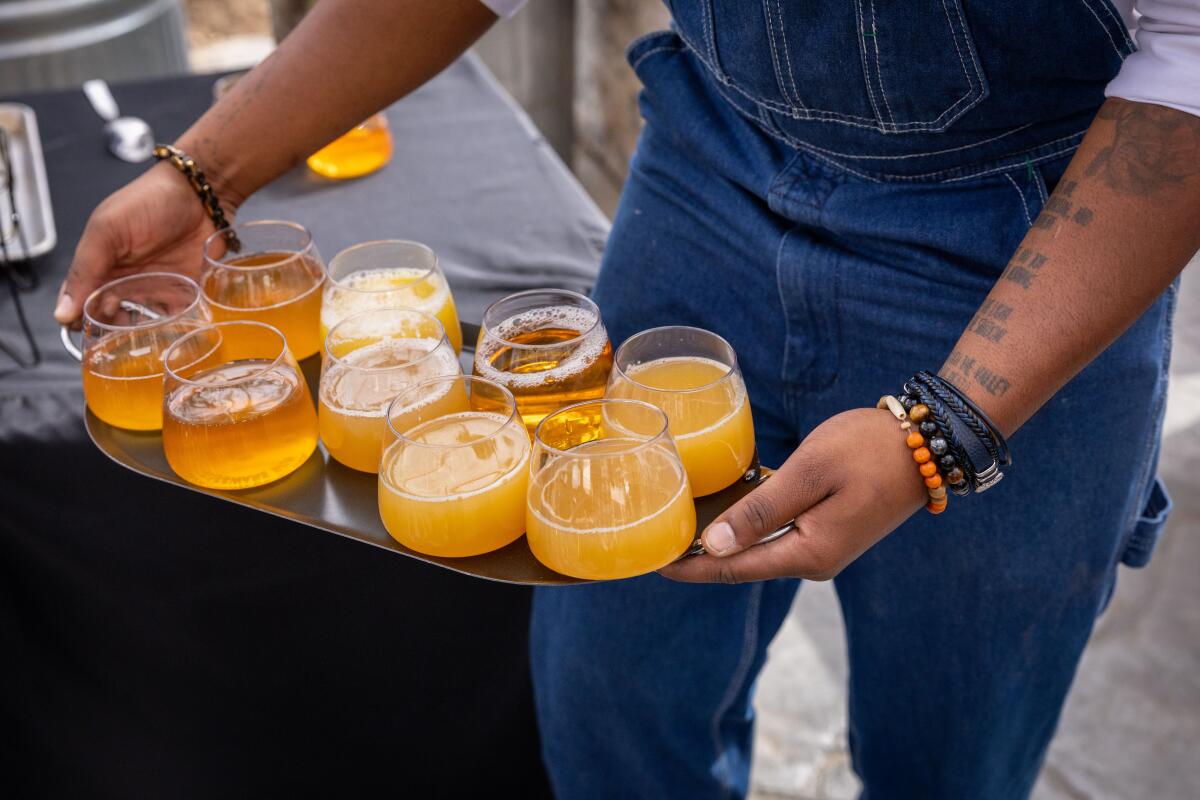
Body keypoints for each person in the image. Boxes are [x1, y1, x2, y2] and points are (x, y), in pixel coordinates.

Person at [54, 1, 1200, 797]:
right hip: (717, 168)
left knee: (952, 748)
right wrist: (209, 171)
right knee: (610, 698)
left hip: (1030, 224)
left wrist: (947, 423)